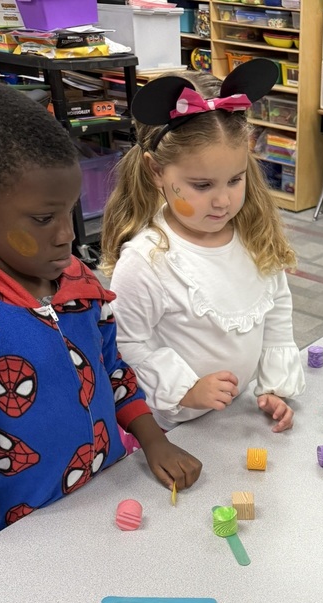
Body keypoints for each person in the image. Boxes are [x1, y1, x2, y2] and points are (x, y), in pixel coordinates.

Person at [0, 85, 202, 603]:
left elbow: (113, 366)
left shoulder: (69, 280)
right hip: (15, 531)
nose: (68, 233)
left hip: (96, 492)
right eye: (42, 218)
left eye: (69, 211)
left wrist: (150, 438)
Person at [100, 65, 305, 433]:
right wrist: (186, 390)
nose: (223, 201)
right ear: (156, 171)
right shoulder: (147, 261)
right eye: (202, 185)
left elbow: (275, 309)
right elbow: (126, 343)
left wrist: (272, 386)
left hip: (231, 419)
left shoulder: (251, 234)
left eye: (235, 179)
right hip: (175, 427)